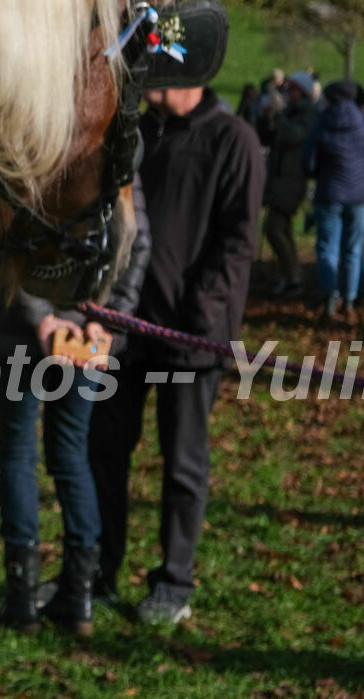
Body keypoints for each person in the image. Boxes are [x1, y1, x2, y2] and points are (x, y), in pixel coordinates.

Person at [87, 85, 263, 628]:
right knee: (106, 451)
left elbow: (238, 240)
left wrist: (200, 311)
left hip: (191, 339)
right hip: (128, 332)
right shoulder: (142, 133)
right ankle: (98, 570)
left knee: (183, 463)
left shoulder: (234, 139)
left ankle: (175, 580)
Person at [0, 190, 150, 637]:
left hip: (38, 332)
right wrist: (101, 318)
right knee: (66, 455)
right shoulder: (110, 140)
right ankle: (72, 599)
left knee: (22, 454)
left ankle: (30, 599)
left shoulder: (38, 134)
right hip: (62, 333)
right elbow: (136, 241)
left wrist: (83, 320)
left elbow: (9, 235)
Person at [305, 79, 364, 319]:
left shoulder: (322, 123)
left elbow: (308, 162)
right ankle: (349, 300)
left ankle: (331, 297)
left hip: (329, 194)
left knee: (328, 248)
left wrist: (319, 173)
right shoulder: (361, 123)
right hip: (359, 196)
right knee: (353, 249)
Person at [264, 72, 319, 297]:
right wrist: (267, 117)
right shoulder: (292, 113)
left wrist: (279, 118)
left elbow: (295, 136)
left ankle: (294, 276)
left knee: (273, 228)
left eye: (292, 91)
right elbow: (271, 137)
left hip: (292, 180)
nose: (288, 95)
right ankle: (292, 274)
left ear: (302, 93)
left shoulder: (309, 115)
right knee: (282, 227)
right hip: (281, 179)